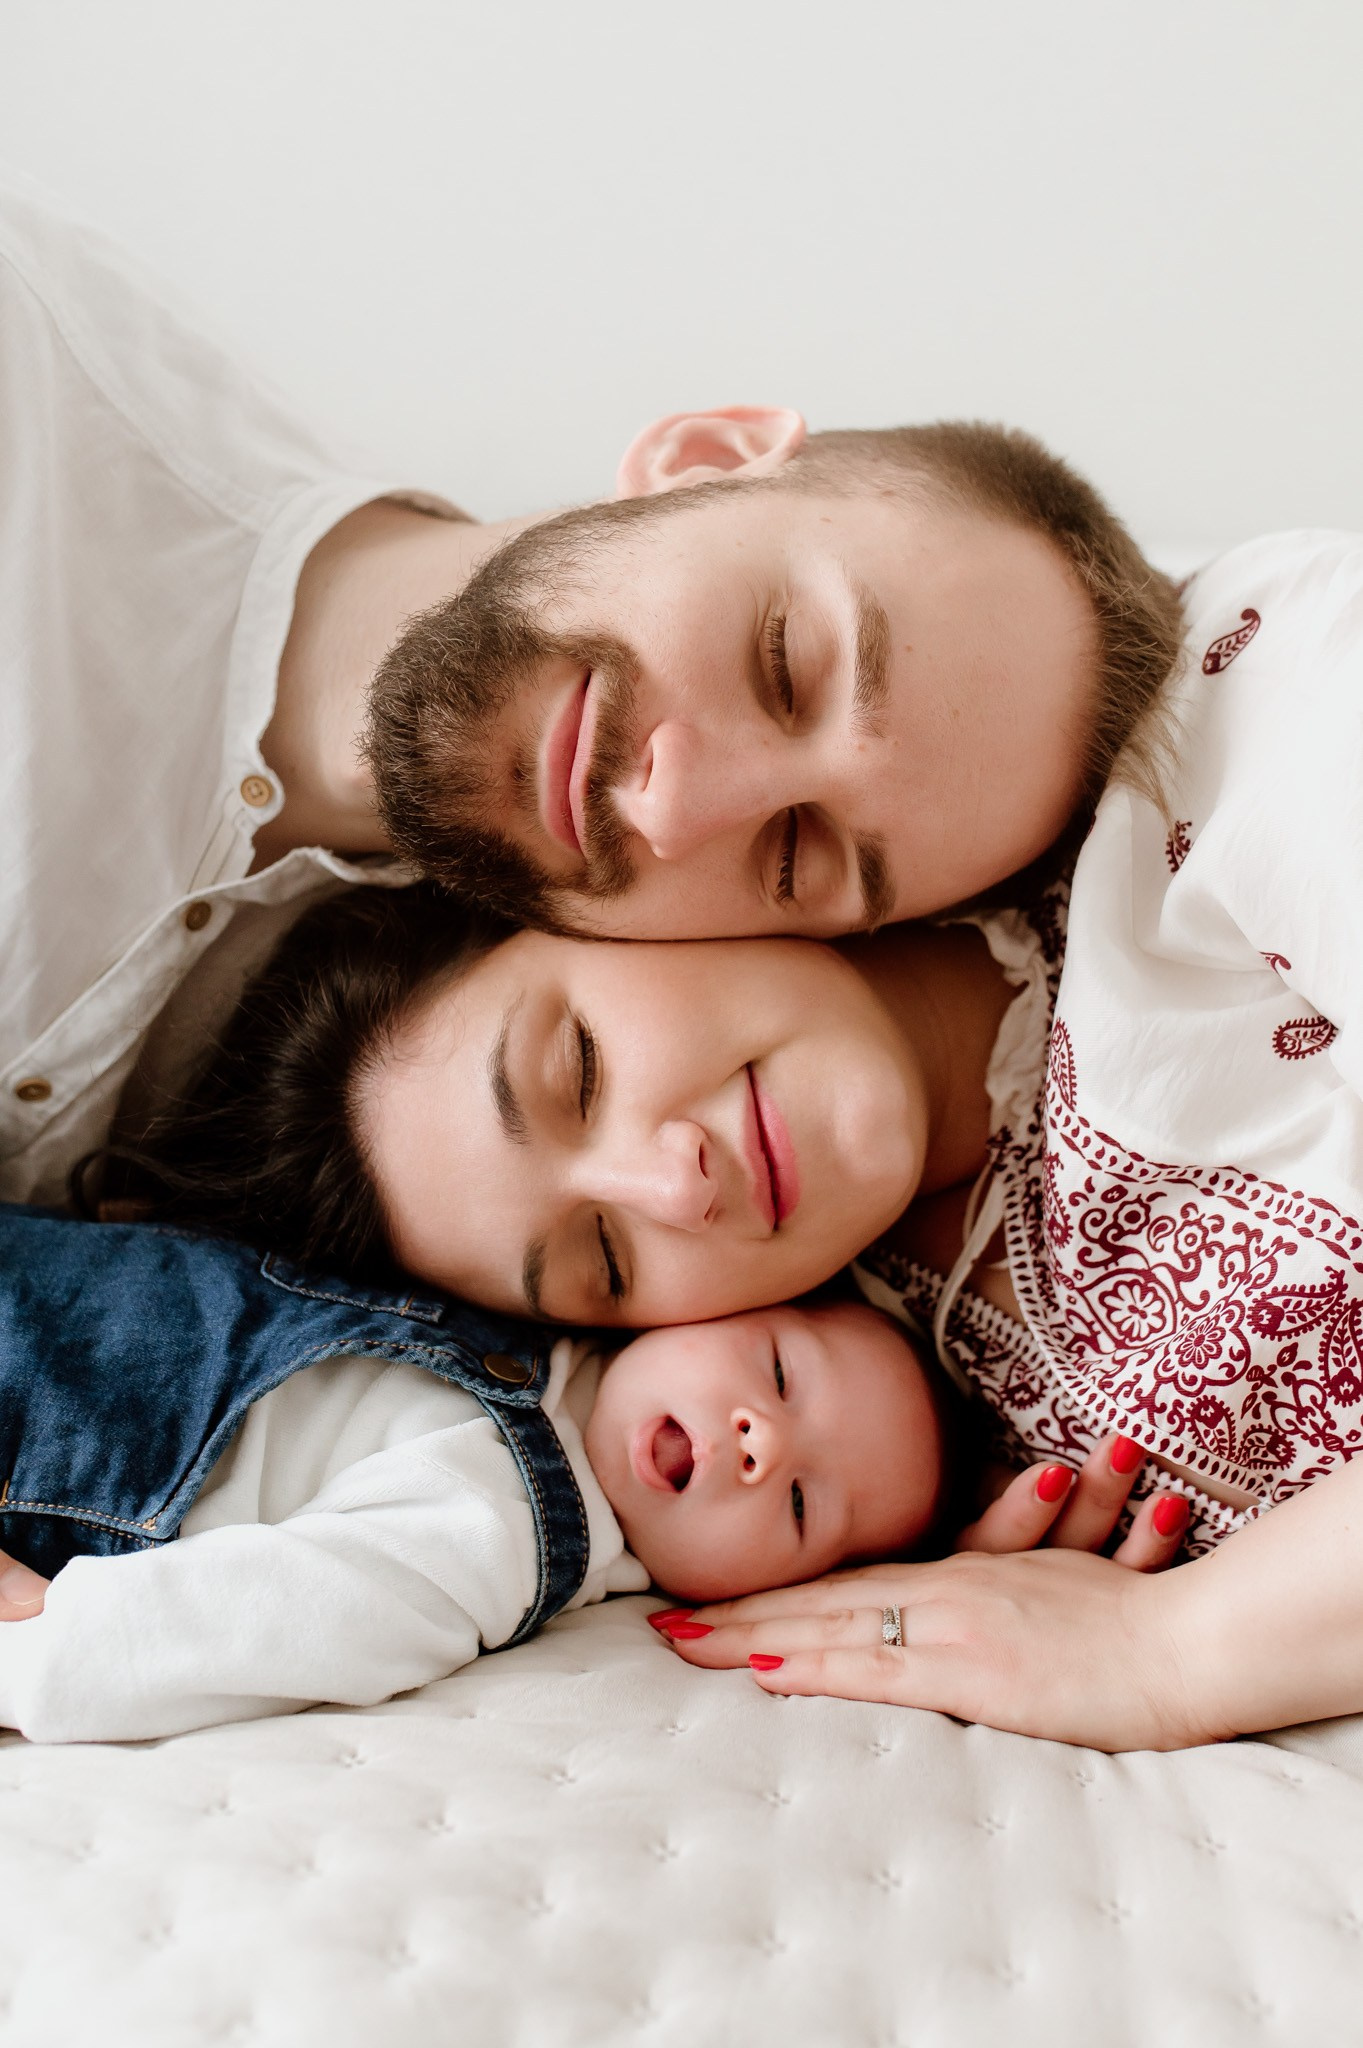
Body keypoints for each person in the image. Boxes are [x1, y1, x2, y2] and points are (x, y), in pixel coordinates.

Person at [0, 179, 1183, 1213]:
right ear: (704, 458)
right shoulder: (37, 393)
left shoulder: (445, 1101)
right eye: (782, 665)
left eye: (793, 854)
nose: (675, 806)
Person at [95, 862, 1363, 1753]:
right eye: (601, 1256)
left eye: (578, 1066)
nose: (674, 1182)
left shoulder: (1195, 835)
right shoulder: (885, 1431)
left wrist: (1174, 1650)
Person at [0, 1202, 1182, 1743]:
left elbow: (250, 1628)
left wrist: (40, 1641)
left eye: (801, 1504)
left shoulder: (499, 1530)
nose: (760, 1442)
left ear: (753, 1595)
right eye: (774, 1365)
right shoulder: (529, 1301)